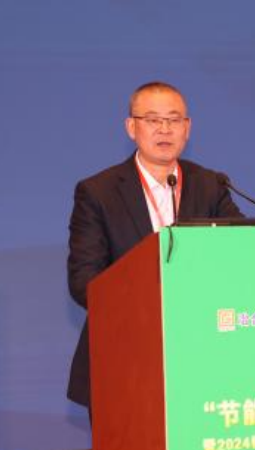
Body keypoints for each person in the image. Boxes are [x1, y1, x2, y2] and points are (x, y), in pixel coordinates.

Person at [66, 81, 243, 413]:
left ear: (187, 128)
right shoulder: (98, 192)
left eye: (174, 120)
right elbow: (84, 282)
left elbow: (241, 251)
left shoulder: (210, 184)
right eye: (152, 120)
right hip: (125, 359)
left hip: (202, 354)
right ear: (131, 127)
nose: (165, 129)